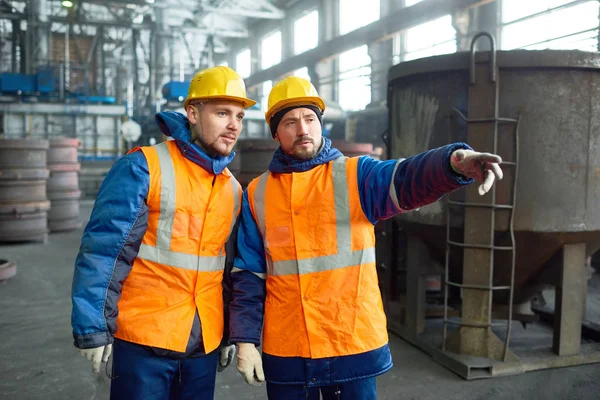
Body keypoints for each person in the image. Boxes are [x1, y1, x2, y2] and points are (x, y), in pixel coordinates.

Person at [228, 76, 503, 399]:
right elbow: (249, 273)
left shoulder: (357, 176)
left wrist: (452, 164)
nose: (302, 129)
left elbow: (406, 178)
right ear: (276, 133)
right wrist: (245, 340)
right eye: (289, 122)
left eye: (309, 119)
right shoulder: (257, 194)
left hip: (350, 342)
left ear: (320, 124)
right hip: (289, 348)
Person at [71, 65, 256, 400]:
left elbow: (227, 269)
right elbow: (104, 250)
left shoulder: (232, 189)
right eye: (223, 113)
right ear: (193, 113)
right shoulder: (144, 167)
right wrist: (93, 325)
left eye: (240, 117)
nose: (233, 125)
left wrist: (229, 331)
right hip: (144, 341)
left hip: (202, 343)